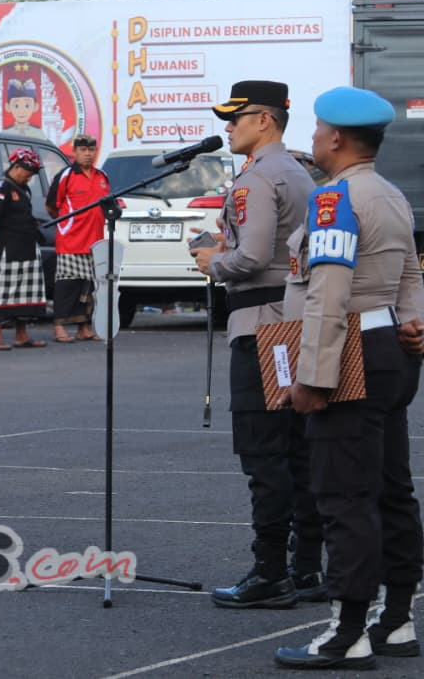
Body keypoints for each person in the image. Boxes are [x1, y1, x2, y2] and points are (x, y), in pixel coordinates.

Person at [273, 86, 424, 670]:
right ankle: (397, 619)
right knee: (390, 489)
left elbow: (328, 293)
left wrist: (312, 376)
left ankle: (347, 631)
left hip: (349, 351)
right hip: (389, 347)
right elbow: (411, 272)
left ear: (336, 138)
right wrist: (414, 324)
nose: (312, 139)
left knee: (343, 495)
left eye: (316, 131)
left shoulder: (335, 200)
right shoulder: (391, 194)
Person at [184, 81, 324, 609]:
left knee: (264, 450)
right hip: (289, 321)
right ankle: (306, 567)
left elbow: (250, 256)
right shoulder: (295, 171)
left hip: (261, 325)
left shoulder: (259, 177)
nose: (228, 127)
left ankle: (271, 572)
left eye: (235, 118)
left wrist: (210, 261)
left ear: (263, 120)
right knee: (297, 450)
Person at [45, 134, 108, 343]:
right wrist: (66, 225)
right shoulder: (66, 176)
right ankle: (59, 327)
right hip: (71, 241)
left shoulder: (102, 177)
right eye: (83, 150)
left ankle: (84, 328)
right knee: (67, 286)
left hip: (95, 242)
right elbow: (52, 205)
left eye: (91, 150)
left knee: (89, 287)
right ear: (75, 152)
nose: (88, 154)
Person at [0, 148, 48, 350]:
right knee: (4, 290)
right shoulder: (2, 188)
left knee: (25, 293)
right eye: (27, 173)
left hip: (28, 247)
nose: (28, 178)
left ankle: (22, 336)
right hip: (9, 248)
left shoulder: (23, 189)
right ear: (17, 166)